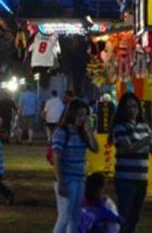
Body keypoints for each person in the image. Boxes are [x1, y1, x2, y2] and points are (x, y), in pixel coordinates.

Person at [112, 92, 152, 233]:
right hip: (125, 179)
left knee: (135, 218)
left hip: (141, 179)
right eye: (129, 107)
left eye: (135, 107)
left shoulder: (144, 126)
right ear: (123, 109)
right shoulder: (120, 127)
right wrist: (150, 137)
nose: (132, 110)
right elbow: (128, 148)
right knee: (124, 216)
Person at [52, 99, 99, 233]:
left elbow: (95, 148)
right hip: (66, 179)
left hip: (80, 178)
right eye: (79, 115)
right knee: (64, 217)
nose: (83, 118)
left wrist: (89, 131)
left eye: (85, 115)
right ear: (71, 114)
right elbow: (56, 157)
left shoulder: (82, 133)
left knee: (75, 216)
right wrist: (60, 181)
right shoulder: (62, 132)